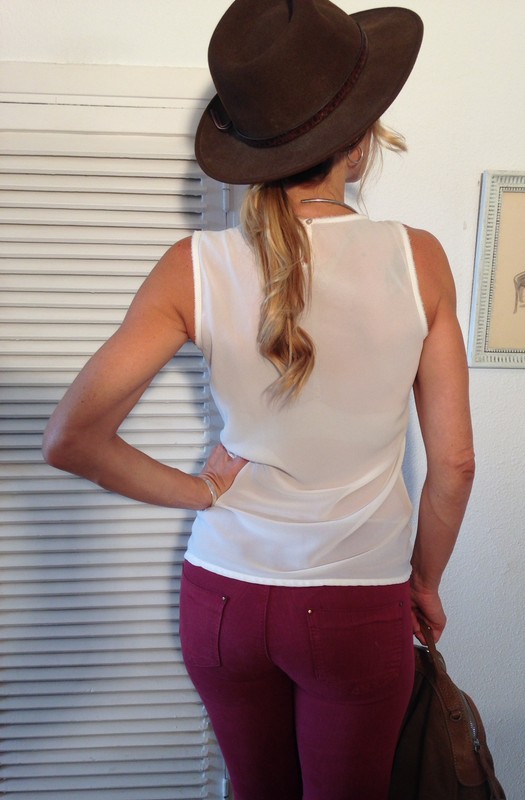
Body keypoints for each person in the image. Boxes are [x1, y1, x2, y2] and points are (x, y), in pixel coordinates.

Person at [42, 1, 475, 798]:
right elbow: (454, 464)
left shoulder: (193, 266)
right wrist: (424, 583)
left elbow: (71, 436)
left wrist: (201, 492)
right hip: (357, 605)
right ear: (358, 140)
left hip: (223, 602)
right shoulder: (419, 260)